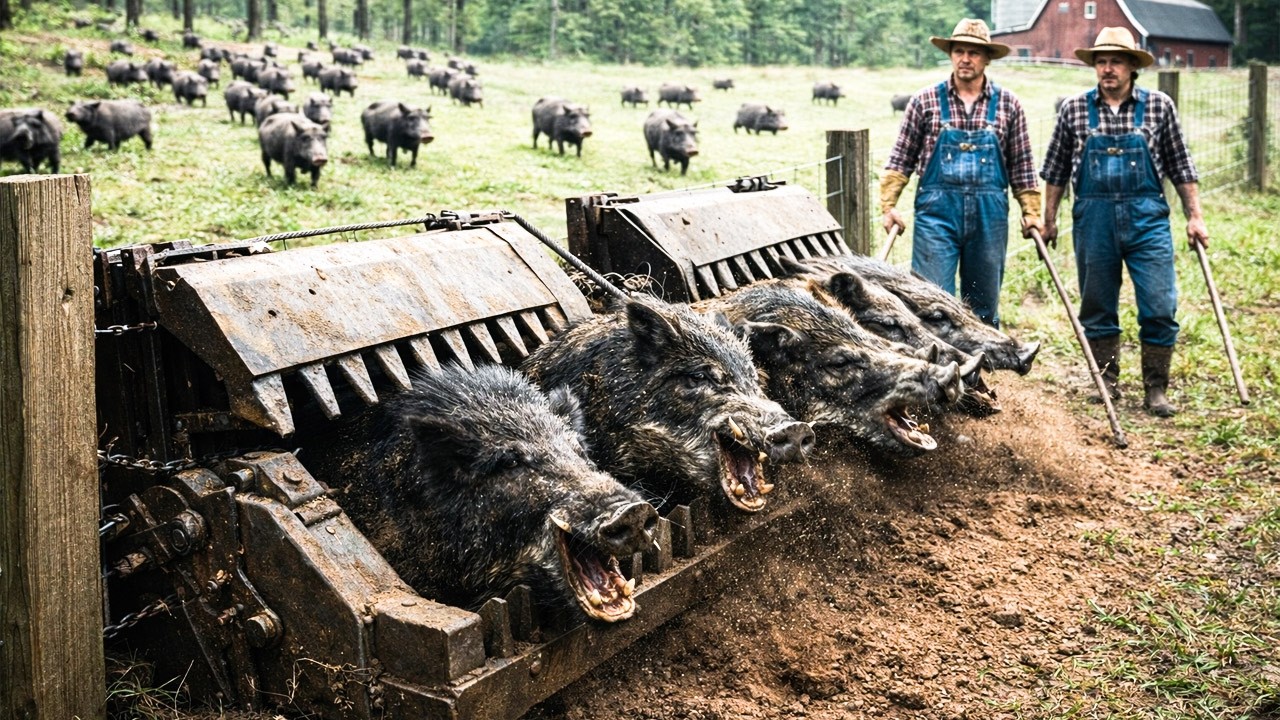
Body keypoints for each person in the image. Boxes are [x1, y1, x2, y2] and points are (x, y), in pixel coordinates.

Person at [1041, 27, 1208, 417]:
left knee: (1159, 305)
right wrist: (1048, 220)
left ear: (1133, 66)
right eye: (1101, 61)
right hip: (1093, 221)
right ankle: (1107, 383)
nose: (1107, 68)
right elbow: (1055, 170)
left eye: (1116, 61)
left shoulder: (1159, 106)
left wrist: (1195, 216)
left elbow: (1181, 166)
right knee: (1097, 306)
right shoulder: (1074, 109)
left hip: (1147, 220)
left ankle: (1156, 389)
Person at [879, 18, 1042, 329]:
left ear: (987, 58)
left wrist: (1032, 212)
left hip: (989, 219)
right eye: (959, 52)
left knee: (983, 305)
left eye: (974, 52)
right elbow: (900, 159)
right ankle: (938, 361)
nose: (965, 59)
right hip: (937, 217)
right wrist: (888, 206)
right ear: (951, 54)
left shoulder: (1008, 105)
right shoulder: (925, 101)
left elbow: (1022, 165)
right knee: (931, 304)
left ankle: (980, 361)